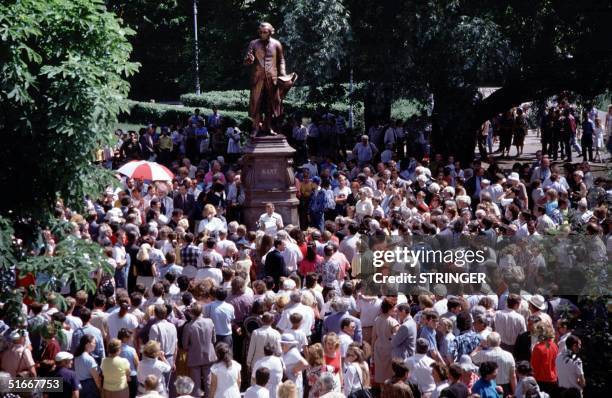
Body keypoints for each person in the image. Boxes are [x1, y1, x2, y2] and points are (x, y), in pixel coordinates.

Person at [182, 303, 217, 398]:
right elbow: (214, 340)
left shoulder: (189, 326)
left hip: (194, 356)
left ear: (191, 313)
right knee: (208, 381)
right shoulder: (210, 322)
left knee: (196, 383)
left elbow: (185, 345)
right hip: (208, 355)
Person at [372, 298, 400, 385]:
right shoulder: (393, 322)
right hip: (388, 348)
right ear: (389, 309)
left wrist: (372, 350)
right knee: (389, 373)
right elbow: (398, 338)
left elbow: (373, 337)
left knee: (380, 372)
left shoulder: (377, 319)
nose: (395, 309)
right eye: (393, 308)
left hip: (378, 347)